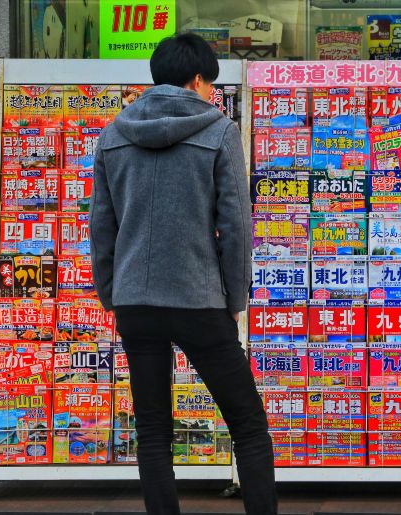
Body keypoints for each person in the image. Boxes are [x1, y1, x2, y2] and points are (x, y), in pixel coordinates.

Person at [89, 33, 276, 515]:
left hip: (135, 301)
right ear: (196, 80)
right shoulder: (219, 132)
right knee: (248, 425)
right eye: (210, 83)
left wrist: (112, 295)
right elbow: (236, 225)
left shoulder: (113, 136)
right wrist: (235, 300)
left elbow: (101, 227)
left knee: (153, 430)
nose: (211, 92)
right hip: (199, 299)